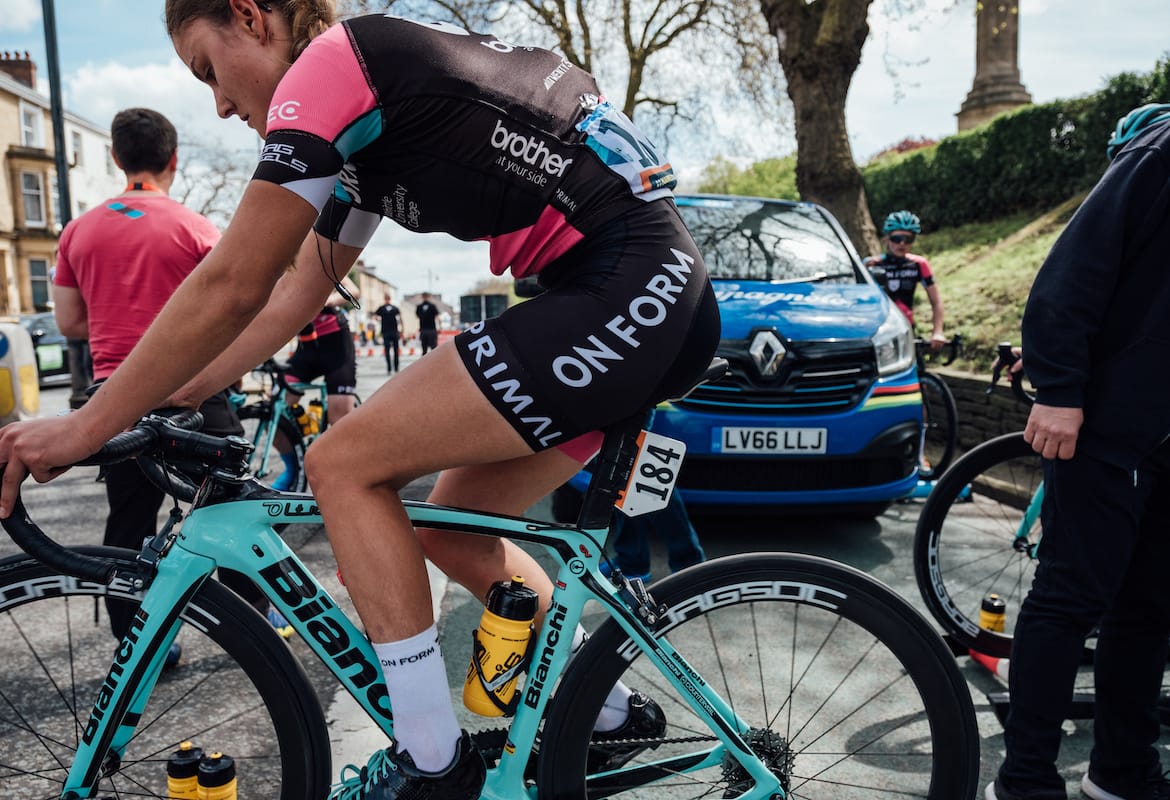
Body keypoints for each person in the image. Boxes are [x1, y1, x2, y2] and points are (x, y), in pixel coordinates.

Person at [0, 5, 721, 800]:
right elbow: (288, 299)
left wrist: (84, 425)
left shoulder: (335, 68)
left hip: (624, 286)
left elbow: (233, 282)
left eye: (209, 69)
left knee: (340, 462)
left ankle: (431, 765)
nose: (218, 106)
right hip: (640, 293)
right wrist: (170, 398)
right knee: (449, 527)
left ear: (250, 14)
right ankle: (611, 714)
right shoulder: (362, 126)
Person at [986, 103, 1170, 800]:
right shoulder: (1163, 150)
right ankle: (1027, 778)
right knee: (1069, 601)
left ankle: (1121, 770)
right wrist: (1058, 388)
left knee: (1148, 608)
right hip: (1108, 424)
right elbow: (1076, 266)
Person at [50, 107, 268, 660]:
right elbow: (233, 307)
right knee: (227, 509)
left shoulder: (78, 231)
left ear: (117, 158)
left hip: (114, 395)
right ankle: (255, 638)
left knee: (128, 519)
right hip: (194, 392)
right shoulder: (195, 227)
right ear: (174, 159)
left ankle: (138, 642)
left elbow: (70, 323)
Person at [268, 276, 361, 491]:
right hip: (306, 349)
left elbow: (354, 292)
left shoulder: (320, 254)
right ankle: (293, 469)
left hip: (336, 347)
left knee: (339, 417)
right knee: (275, 407)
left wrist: (327, 300)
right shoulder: (282, 267)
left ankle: (347, 478)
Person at [865, 210, 946, 351]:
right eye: (897, 239)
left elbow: (936, 301)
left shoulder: (919, 264)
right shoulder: (871, 264)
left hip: (906, 328)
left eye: (908, 239)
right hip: (877, 332)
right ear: (887, 239)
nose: (902, 243)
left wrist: (938, 332)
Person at [374, 292, 404, 373]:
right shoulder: (382, 308)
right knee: (387, 351)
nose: (387, 300)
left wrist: (401, 330)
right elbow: (375, 316)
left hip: (394, 331)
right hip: (386, 332)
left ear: (389, 299)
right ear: (385, 299)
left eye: (388, 298)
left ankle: (396, 367)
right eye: (386, 298)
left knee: (396, 350)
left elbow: (400, 319)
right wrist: (377, 319)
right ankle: (389, 367)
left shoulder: (394, 308)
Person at [415, 291, 440, 356]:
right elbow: (437, 317)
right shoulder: (432, 306)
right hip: (430, 330)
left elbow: (417, 317)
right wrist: (439, 327)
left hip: (424, 330)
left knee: (425, 350)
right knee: (432, 349)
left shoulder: (419, 307)